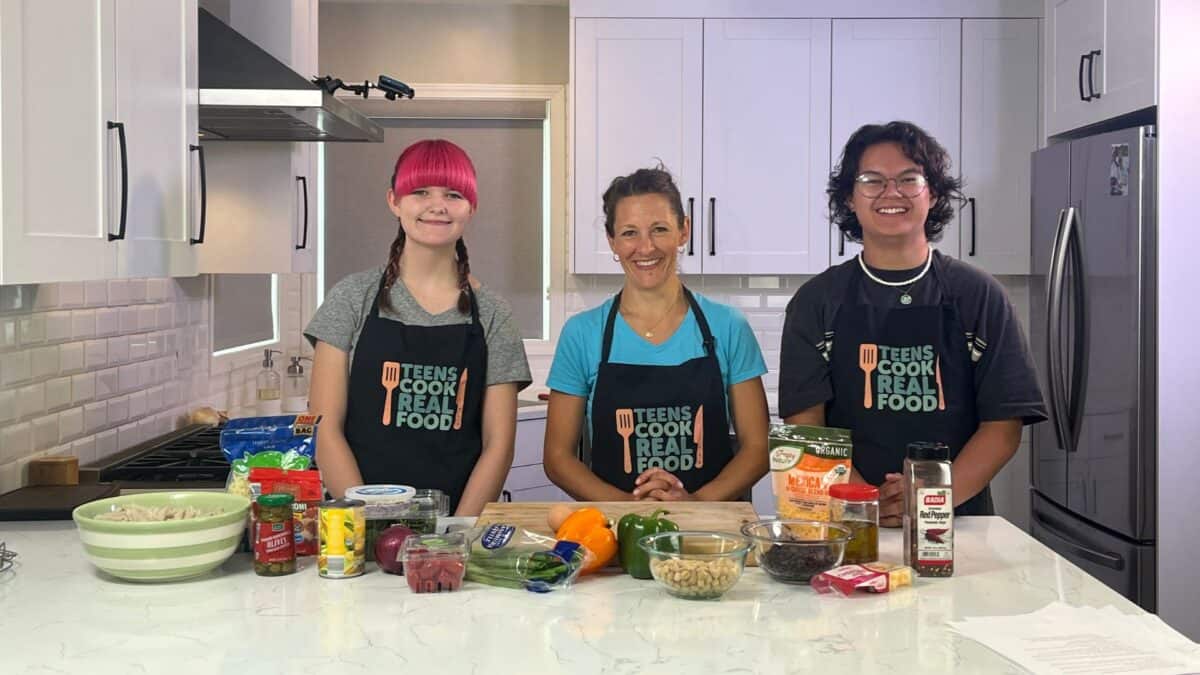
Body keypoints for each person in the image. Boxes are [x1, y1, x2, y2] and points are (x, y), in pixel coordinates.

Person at [779, 121, 1046, 525]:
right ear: (850, 197)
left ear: (932, 193)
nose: (892, 193)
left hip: (956, 524)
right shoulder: (816, 302)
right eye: (872, 180)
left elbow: (1003, 426)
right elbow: (806, 426)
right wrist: (865, 503)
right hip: (848, 522)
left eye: (909, 179)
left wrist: (933, 497)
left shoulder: (978, 295)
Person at [304, 139, 531, 516]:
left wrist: (457, 532)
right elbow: (325, 429)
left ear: (471, 207)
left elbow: (498, 445)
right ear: (394, 201)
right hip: (358, 523)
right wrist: (369, 519)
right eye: (420, 191)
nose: (437, 205)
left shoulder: (494, 314)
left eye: (453, 194)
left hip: (456, 525)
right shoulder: (351, 297)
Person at [543, 167, 770, 501]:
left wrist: (695, 504)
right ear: (612, 241)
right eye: (629, 233)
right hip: (617, 527)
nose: (645, 247)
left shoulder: (728, 326)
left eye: (659, 229)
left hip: (711, 527)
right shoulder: (582, 334)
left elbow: (759, 448)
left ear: (684, 230)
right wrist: (628, 509)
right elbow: (558, 458)